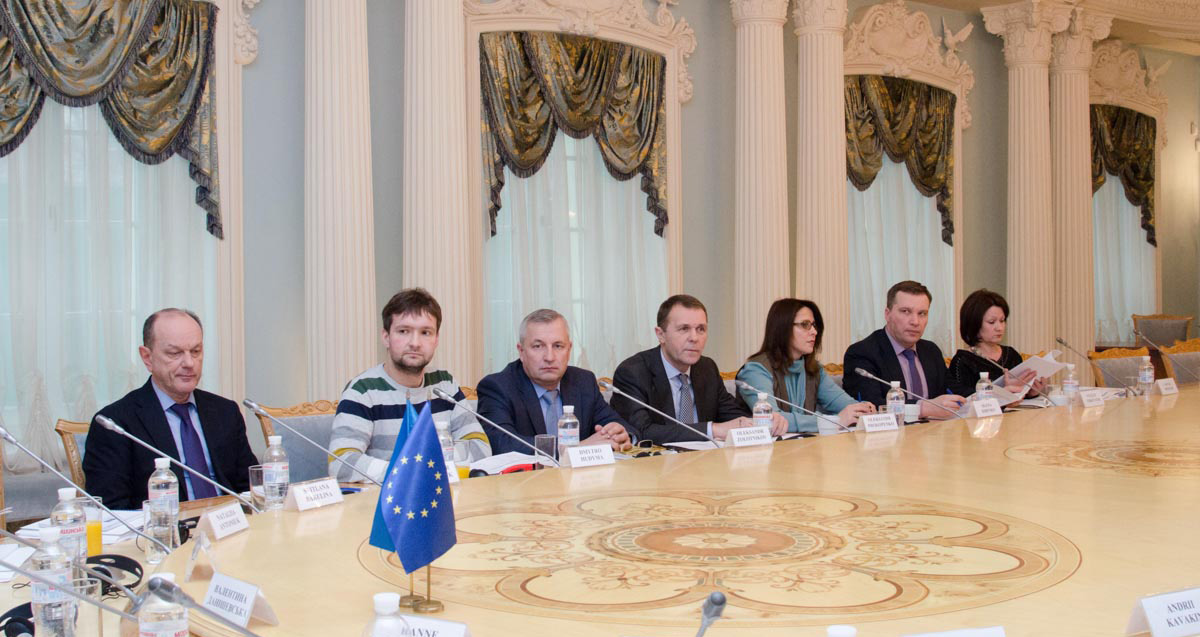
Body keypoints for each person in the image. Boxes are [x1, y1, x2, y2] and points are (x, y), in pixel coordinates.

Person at [83, 309, 259, 510]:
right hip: (164, 527)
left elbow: (250, 489)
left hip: (230, 523)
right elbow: (111, 509)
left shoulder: (225, 412)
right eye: (175, 353)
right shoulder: (117, 423)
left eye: (196, 351)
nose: (189, 363)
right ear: (147, 357)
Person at [328, 289, 489, 483]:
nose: (415, 343)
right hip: (389, 498)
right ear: (386, 337)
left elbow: (480, 447)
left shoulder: (444, 384)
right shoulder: (362, 391)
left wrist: (427, 461)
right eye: (404, 331)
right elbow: (341, 463)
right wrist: (409, 469)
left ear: (436, 340)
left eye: (425, 333)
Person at [611, 295, 771, 443]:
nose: (694, 338)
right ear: (660, 335)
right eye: (684, 329)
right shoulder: (633, 372)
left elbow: (733, 416)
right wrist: (712, 430)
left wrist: (762, 421)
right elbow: (641, 432)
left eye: (701, 329)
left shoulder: (706, 368)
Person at [476, 309, 634, 455]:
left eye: (558, 346)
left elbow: (617, 425)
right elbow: (501, 444)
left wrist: (619, 434)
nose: (549, 357)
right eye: (538, 346)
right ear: (521, 351)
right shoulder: (497, 387)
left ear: (569, 350)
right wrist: (575, 449)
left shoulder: (583, 381)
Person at [737, 299, 875, 432]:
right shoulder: (755, 370)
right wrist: (834, 421)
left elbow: (842, 403)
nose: (814, 331)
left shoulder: (814, 369)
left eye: (814, 325)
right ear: (783, 328)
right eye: (805, 325)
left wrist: (862, 409)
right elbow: (771, 419)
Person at [841, 281, 966, 419]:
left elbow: (954, 390)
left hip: (934, 430)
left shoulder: (931, 350)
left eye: (922, 313)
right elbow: (871, 406)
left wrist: (978, 398)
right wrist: (922, 408)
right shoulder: (862, 353)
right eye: (906, 311)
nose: (915, 322)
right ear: (887, 314)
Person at [947, 289, 1047, 398]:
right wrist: (1003, 395)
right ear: (974, 324)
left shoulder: (1011, 354)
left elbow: (1021, 394)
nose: (999, 328)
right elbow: (962, 401)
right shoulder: (962, 361)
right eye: (991, 322)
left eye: (1002, 320)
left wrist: (1031, 392)